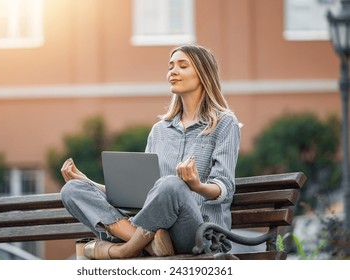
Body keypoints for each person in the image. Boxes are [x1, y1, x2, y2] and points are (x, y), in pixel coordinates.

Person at [60, 44, 241, 259]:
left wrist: (196, 185)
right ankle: (147, 243)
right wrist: (89, 183)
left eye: (183, 66)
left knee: (171, 184)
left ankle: (126, 248)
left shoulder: (224, 124)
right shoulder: (159, 130)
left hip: (198, 233)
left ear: (203, 74)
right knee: (73, 189)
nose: (173, 72)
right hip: (156, 231)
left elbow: (225, 187)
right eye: (171, 66)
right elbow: (143, 193)